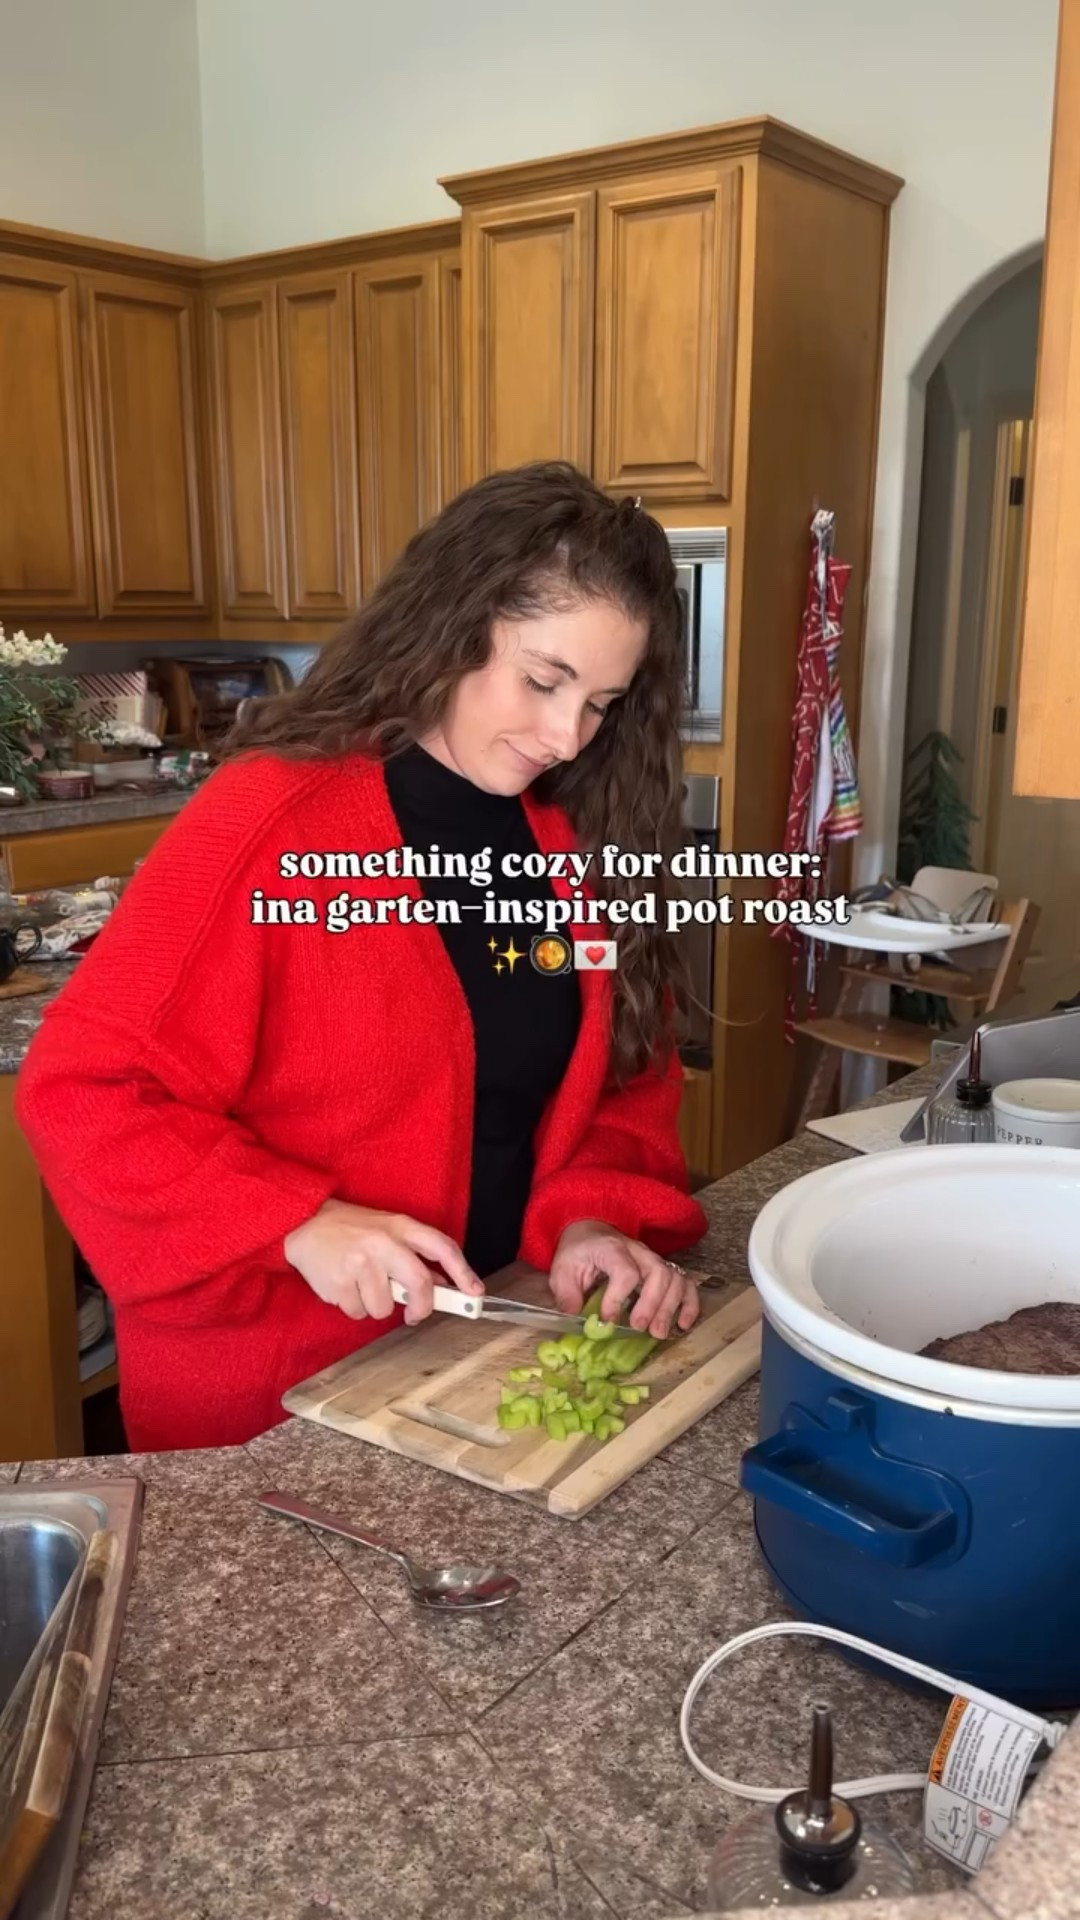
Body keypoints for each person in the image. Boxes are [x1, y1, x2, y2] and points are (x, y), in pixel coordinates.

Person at [15, 462, 709, 1453]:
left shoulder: (578, 835)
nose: (565, 734)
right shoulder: (270, 820)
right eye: (543, 680)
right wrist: (293, 1224)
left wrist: (593, 1222)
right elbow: (83, 1090)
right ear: (451, 627)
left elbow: (621, 1085)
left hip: (487, 1370)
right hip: (273, 1411)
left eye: (601, 701)